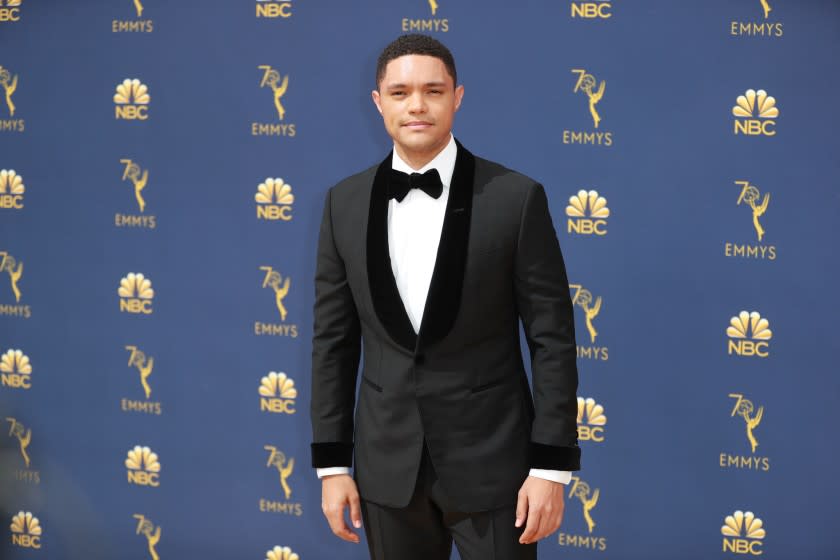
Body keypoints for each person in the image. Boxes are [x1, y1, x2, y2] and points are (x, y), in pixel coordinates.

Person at [310, 34, 580, 560]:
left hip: (496, 468)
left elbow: (552, 340)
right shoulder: (343, 202)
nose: (416, 105)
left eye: (433, 91)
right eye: (400, 92)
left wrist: (550, 467)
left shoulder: (515, 198)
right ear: (378, 102)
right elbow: (332, 344)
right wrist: (333, 466)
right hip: (387, 472)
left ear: (457, 97)